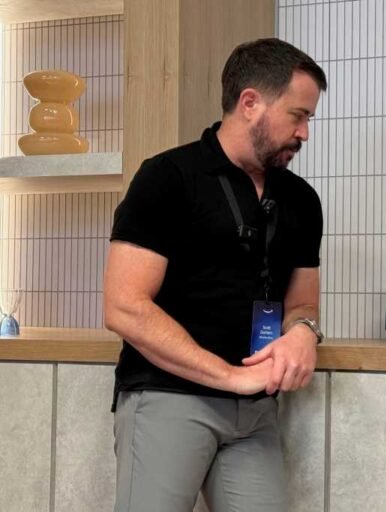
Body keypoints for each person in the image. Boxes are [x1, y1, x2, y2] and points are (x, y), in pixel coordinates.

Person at [103, 38, 327, 512]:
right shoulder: (167, 177)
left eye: (309, 118)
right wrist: (228, 376)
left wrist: (303, 333)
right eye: (298, 115)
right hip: (168, 397)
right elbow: (124, 307)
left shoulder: (302, 200)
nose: (305, 133)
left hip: (256, 409)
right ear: (250, 103)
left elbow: (303, 304)